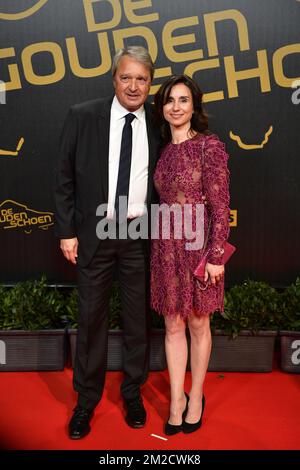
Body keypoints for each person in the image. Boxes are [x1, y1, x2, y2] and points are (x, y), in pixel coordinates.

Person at [54, 46, 161, 439]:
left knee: (137, 323)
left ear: (151, 83)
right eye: (126, 77)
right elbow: (64, 176)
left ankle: (132, 392)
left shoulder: (157, 122)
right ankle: (85, 402)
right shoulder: (83, 116)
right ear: (114, 78)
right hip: (95, 231)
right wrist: (67, 231)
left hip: (136, 235)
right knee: (91, 321)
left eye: (142, 79)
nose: (133, 86)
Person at [151, 75, 230, 435]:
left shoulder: (208, 147)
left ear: (194, 106)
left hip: (200, 245)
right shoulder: (164, 150)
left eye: (183, 100)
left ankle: (195, 396)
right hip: (166, 246)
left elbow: (221, 204)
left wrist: (216, 256)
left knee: (199, 322)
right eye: (169, 100)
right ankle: (176, 399)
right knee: (172, 325)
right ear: (162, 108)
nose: (176, 107)